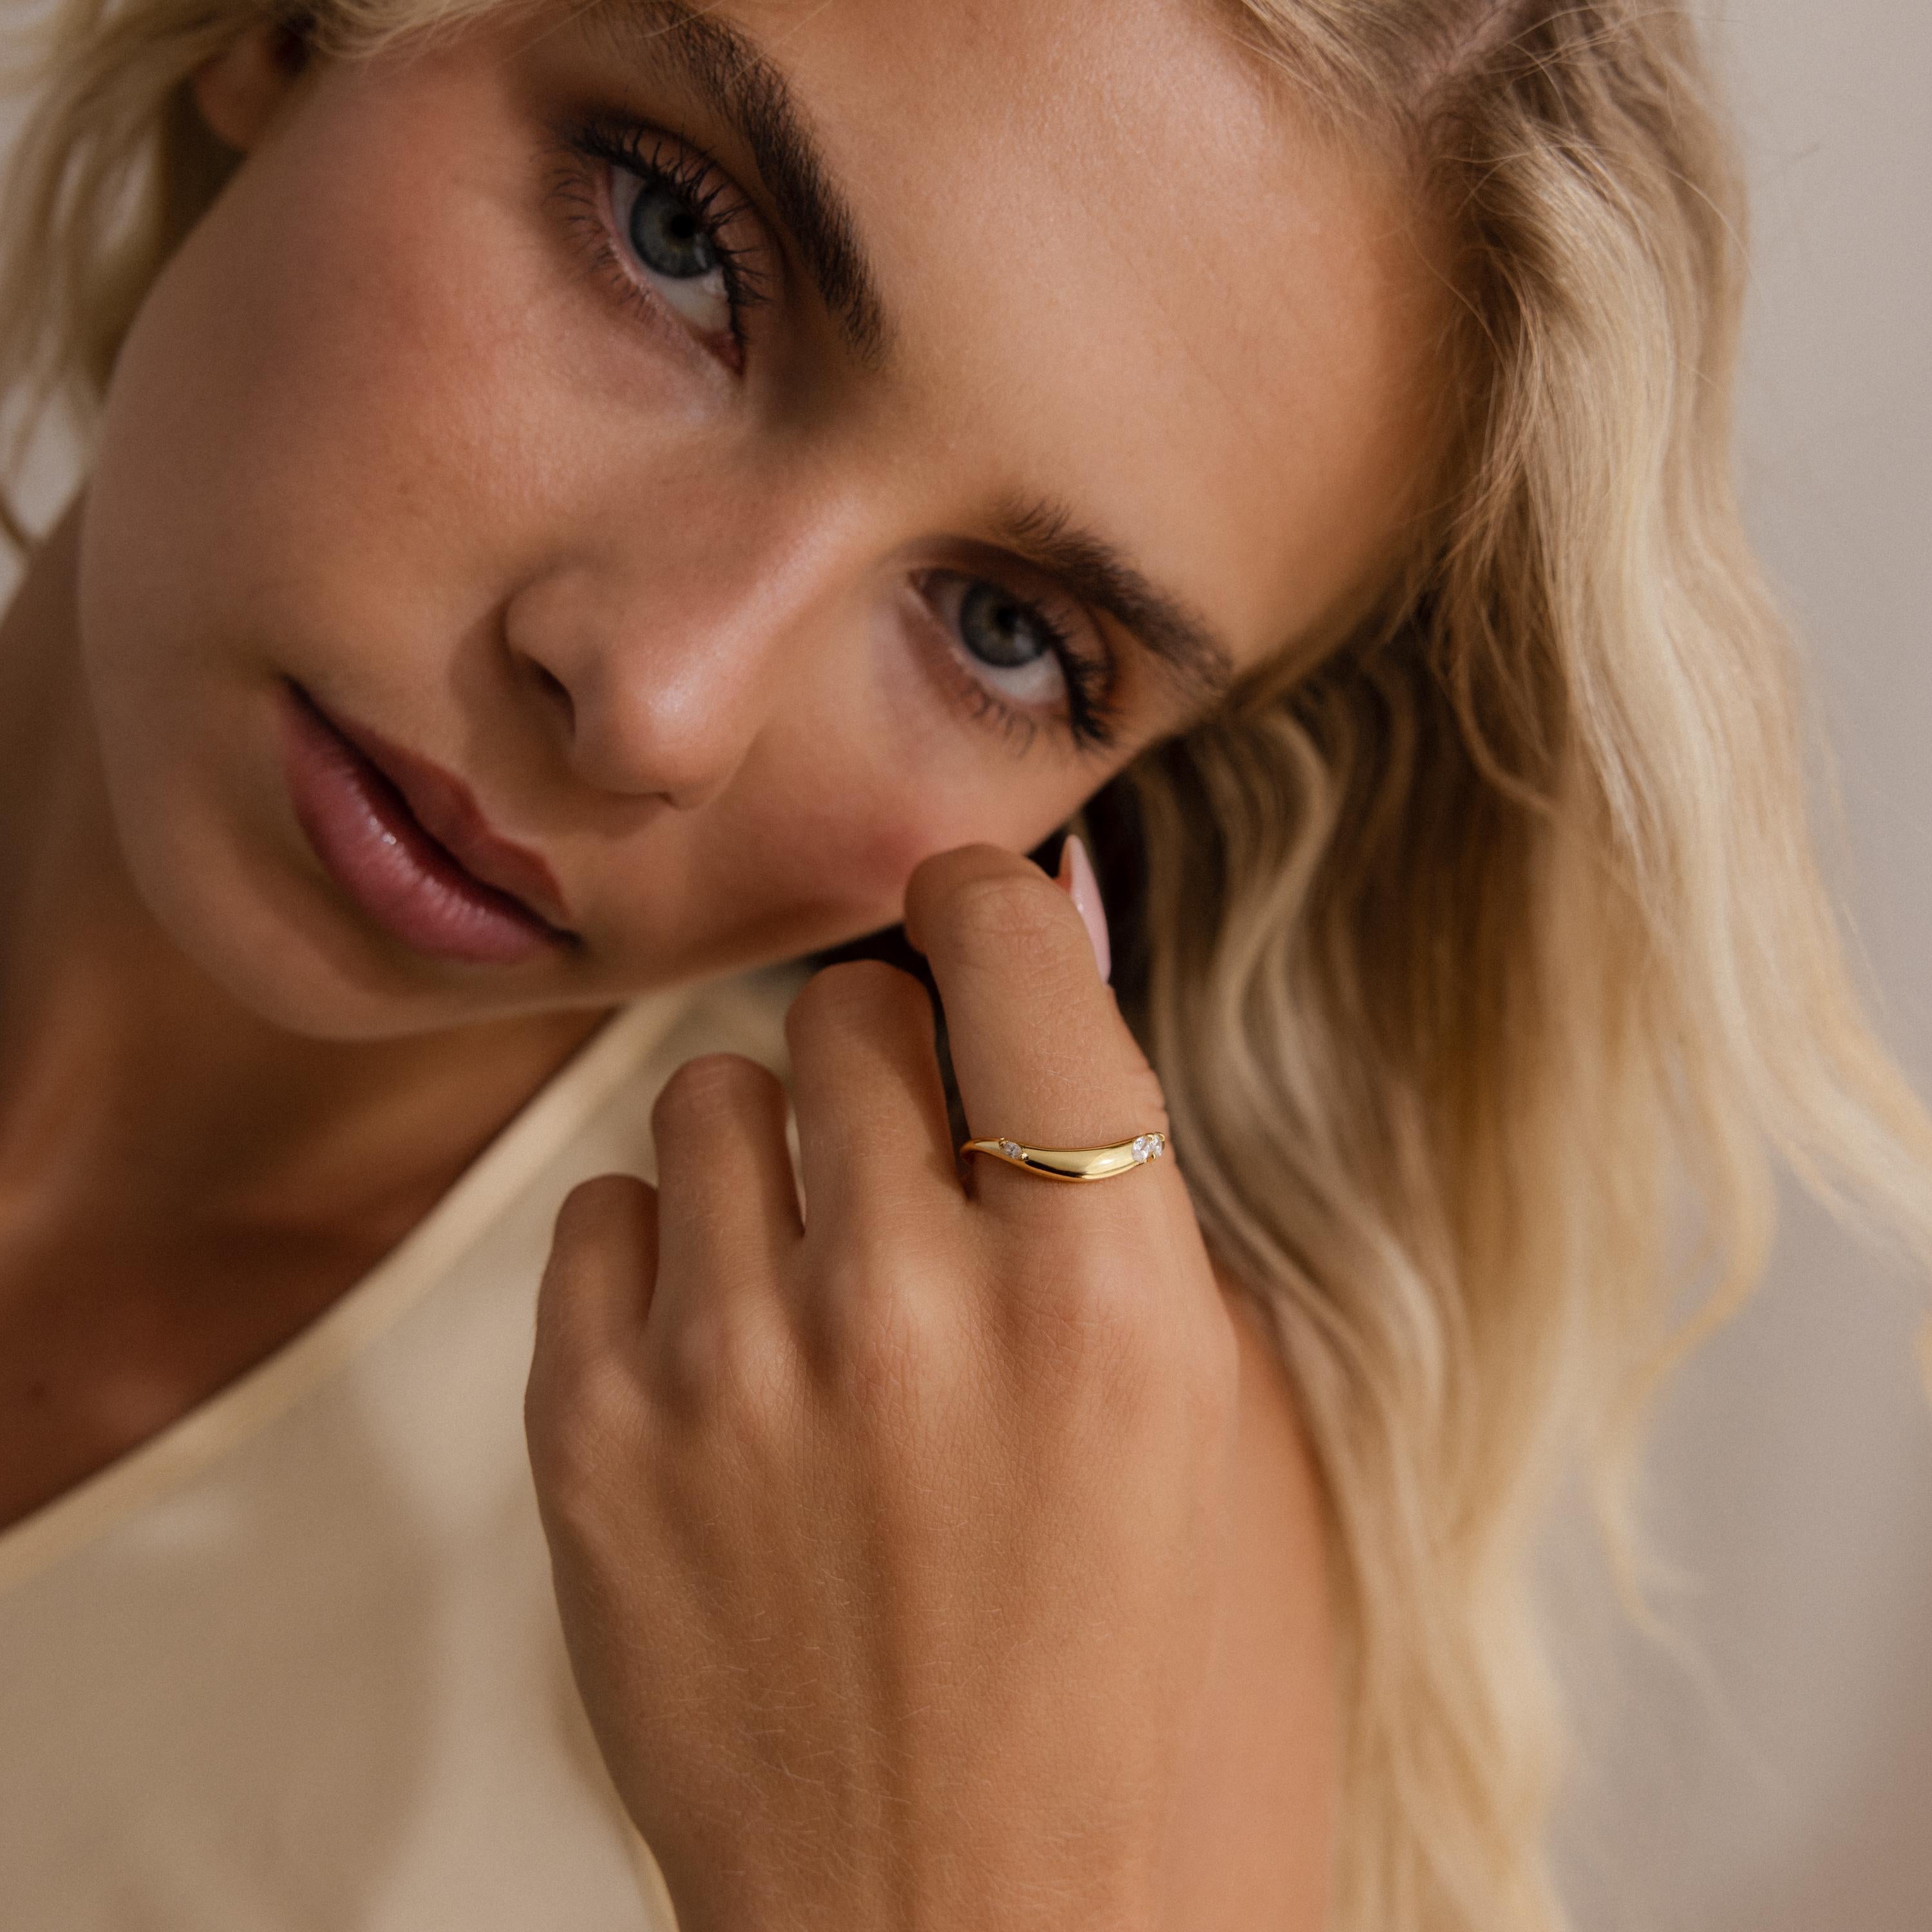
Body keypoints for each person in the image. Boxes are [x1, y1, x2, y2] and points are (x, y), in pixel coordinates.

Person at [0, 0, 1925, 1927]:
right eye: (679, 243)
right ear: (282, 30)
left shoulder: (1066, 1552)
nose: (660, 704)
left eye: (1009, 632)